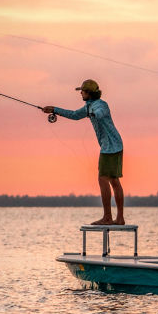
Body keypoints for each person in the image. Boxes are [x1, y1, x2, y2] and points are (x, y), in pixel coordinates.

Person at [42, 79, 125, 225]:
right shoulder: (88, 106)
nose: (80, 93)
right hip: (114, 145)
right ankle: (119, 218)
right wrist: (54, 109)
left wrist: (94, 114)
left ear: (89, 93)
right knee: (113, 180)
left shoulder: (100, 105)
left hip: (110, 146)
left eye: (83, 91)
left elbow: (99, 112)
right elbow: (74, 115)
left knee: (103, 179)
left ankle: (108, 217)